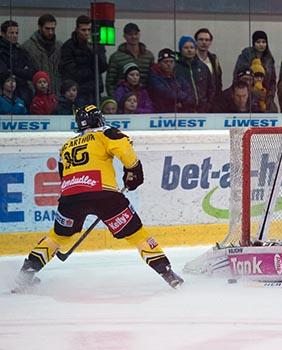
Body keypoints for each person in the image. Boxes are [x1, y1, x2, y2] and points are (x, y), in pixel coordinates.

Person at [12, 104, 183, 293]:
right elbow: (124, 148)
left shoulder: (66, 145)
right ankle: (168, 274)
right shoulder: (106, 133)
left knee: (57, 236)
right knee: (137, 235)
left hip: (70, 198)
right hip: (105, 196)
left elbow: (63, 175)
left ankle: (25, 275)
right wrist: (133, 170)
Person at [59, 15, 107, 105]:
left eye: (89, 30)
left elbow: (103, 66)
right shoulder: (69, 46)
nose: (87, 33)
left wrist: (95, 52)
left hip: (95, 90)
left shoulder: (96, 45)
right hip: (79, 91)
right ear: (77, 29)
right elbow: (70, 71)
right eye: (83, 30)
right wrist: (92, 71)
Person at [233, 30, 278, 112]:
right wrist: (252, 92)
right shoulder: (245, 56)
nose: (261, 44)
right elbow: (238, 77)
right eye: (258, 42)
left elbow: (273, 81)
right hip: (248, 97)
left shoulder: (269, 59)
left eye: (264, 42)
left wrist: (270, 96)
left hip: (266, 97)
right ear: (253, 43)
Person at [106, 22, 154, 97]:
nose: (134, 37)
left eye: (136, 34)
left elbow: (152, 80)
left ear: (139, 34)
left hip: (144, 99)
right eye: (130, 34)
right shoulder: (116, 57)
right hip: (123, 99)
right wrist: (115, 100)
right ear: (124, 36)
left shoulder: (148, 56)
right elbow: (110, 83)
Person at [22, 14, 62, 95]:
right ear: (40, 27)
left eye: (53, 29)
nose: (50, 32)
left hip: (56, 95)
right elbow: (26, 75)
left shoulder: (59, 47)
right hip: (36, 96)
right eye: (47, 29)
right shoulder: (27, 48)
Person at [0, 20, 36, 107]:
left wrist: (13, 71)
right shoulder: (1, 51)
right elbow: (3, 73)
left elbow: (31, 72)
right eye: (11, 33)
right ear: (2, 33)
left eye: (16, 33)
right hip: (5, 95)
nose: (15, 36)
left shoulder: (21, 51)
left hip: (24, 96)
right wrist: (22, 73)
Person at [175, 35, 214, 113]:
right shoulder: (176, 68)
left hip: (203, 110)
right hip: (183, 110)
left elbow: (211, 88)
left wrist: (208, 105)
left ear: (195, 49)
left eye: (192, 47)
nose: (189, 50)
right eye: (186, 48)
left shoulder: (203, 67)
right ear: (180, 50)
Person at [148, 48, 194, 113]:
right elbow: (166, 94)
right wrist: (182, 98)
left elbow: (191, 96)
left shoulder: (178, 77)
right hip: (161, 114)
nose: (169, 64)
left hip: (180, 113)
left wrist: (183, 103)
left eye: (171, 61)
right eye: (165, 62)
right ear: (159, 63)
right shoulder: (154, 78)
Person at [195, 28, 223, 97]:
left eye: (207, 40)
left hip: (213, 100)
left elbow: (218, 81)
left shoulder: (214, 59)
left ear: (210, 42)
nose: (204, 42)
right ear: (195, 41)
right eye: (201, 39)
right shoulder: (191, 60)